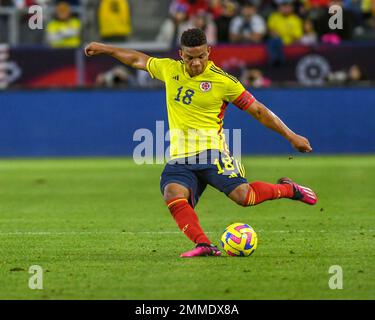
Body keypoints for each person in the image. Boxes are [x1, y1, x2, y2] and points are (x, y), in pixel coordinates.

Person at [84, 28, 317, 258]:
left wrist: (290, 135)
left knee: (243, 197)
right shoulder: (169, 69)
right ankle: (205, 245)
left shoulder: (223, 81)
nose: (196, 63)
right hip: (180, 157)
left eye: (201, 57)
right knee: (172, 192)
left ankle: (289, 189)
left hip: (212, 153)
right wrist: (105, 48)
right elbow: (137, 59)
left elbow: (257, 110)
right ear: (180, 54)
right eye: (190, 58)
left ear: (209, 51)